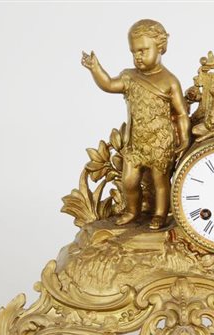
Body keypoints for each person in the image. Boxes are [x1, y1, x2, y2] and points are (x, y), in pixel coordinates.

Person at [82, 19, 190, 230]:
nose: (137, 56)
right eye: (133, 52)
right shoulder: (129, 77)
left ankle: (160, 214)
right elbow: (109, 84)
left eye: (143, 50)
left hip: (160, 141)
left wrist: (184, 138)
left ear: (161, 48)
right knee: (129, 180)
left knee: (160, 181)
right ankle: (132, 211)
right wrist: (96, 69)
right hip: (136, 141)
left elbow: (181, 113)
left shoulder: (170, 81)